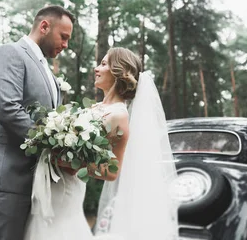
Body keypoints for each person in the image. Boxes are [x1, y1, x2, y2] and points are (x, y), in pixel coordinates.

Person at [23, 47, 178, 240]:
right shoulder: (97, 107)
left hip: (66, 191)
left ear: (118, 72)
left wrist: (71, 163)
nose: (96, 68)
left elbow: (112, 172)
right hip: (53, 186)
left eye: (103, 64)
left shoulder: (118, 115)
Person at [0, 5, 75, 240]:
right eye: (63, 37)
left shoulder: (50, 74)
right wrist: (54, 144)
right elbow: (7, 108)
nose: (66, 44)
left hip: (33, 184)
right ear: (44, 26)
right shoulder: (10, 53)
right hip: (4, 178)